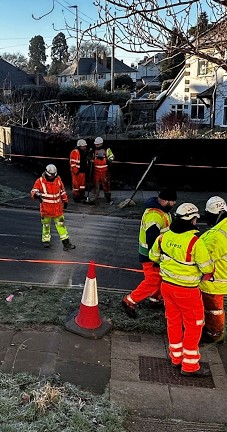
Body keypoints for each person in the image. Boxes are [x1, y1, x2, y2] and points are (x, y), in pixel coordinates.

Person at [149, 202, 214, 376]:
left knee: (173, 322)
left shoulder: (164, 237)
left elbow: (152, 256)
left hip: (167, 288)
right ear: (192, 220)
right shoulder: (195, 242)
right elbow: (207, 269)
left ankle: (176, 358)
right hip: (188, 291)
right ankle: (190, 366)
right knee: (194, 325)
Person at [121, 187, 178, 319]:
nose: (174, 204)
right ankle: (129, 301)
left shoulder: (161, 211)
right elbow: (152, 238)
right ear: (165, 201)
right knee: (152, 280)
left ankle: (155, 300)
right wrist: (157, 258)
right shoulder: (155, 215)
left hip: (153, 254)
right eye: (173, 202)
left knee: (160, 277)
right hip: (151, 255)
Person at [199, 195, 227, 344]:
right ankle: (213, 330)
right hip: (224, 275)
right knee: (212, 308)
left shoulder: (218, 236)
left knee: (213, 309)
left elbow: (206, 260)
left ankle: (214, 335)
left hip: (215, 279)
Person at [31, 164, 75, 250]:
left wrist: (65, 200)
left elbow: (62, 191)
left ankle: (66, 242)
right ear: (46, 173)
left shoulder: (58, 180)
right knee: (46, 225)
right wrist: (36, 195)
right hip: (46, 209)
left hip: (57, 209)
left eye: (54, 175)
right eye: (51, 175)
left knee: (61, 226)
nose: (52, 177)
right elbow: (34, 191)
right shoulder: (40, 181)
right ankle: (46, 241)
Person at [90, 136, 115, 203]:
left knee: (106, 185)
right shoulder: (94, 150)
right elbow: (92, 158)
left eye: (97, 144)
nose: (96, 145)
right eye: (95, 144)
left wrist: (108, 160)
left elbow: (112, 157)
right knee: (95, 185)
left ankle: (108, 199)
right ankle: (95, 198)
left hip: (104, 171)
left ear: (101, 143)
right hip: (96, 171)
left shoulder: (107, 149)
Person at [69, 138, 89, 203]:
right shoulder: (74, 152)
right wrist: (75, 171)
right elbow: (72, 163)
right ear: (80, 146)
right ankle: (76, 197)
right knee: (76, 185)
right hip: (76, 172)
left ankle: (81, 195)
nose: (85, 147)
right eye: (84, 146)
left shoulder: (83, 152)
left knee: (82, 185)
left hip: (82, 171)